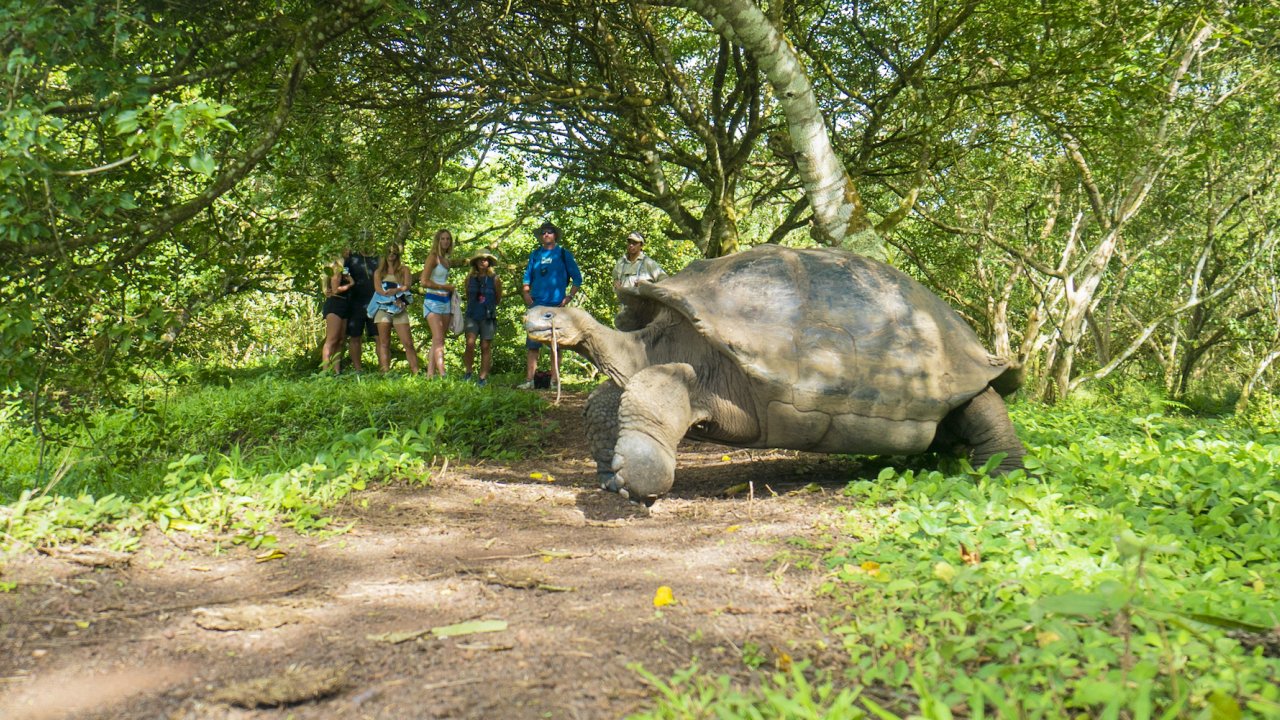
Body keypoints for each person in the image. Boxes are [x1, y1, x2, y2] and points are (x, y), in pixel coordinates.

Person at [520, 220, 582, 389]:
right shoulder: (535, 254)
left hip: (556, 306)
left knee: (555, 344)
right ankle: (529, 381)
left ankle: (554, 381)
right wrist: (526, 293)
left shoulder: (563, 254)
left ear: (555, 235)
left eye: (549, 232)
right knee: (533, 343)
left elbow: (577, 278)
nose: (546, 234)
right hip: (536, 305)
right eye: (543, 232)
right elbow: (527, 277)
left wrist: (568, 297)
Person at [369, 243, 420, 374]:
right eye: (388, 252)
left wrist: (396, 291)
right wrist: (389, 296)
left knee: (408, 342)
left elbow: (407, 286)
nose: (391, 255)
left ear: (398, 254)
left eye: (394, 252)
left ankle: (416, 371)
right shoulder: (378, 272)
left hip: (399, 308)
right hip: (383, 307)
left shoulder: (404, 270)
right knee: (384, 342)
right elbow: (378, 289)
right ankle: (385, 372)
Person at [461, 250, 503, 386]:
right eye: (480, 259)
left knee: (485, 346)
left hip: (488, 316)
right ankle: (468, 372)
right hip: (472, 315)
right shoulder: (469, 278)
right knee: (470, 343)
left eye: (485, 260)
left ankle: (483, 377)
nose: (483, 262)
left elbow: (498, 298)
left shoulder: (495, 279)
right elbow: (468, 295)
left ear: (489, 262)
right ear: (476, 262)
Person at [418, 229, 456, 378]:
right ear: (437, 241)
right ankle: (443, 373)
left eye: (448, 239)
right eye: (443, 239)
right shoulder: (433, 257)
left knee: (438, 338)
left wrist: (450, 290)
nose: (446, 241)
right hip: (432, 302)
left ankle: (429, 374)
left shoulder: (447, 260)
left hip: (445, 301)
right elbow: (424, 281)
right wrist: (444, 287)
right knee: (439, 338)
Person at [344, 238, 380, 373]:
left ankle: (383, 369)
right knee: (355, 337)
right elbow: (341, 274)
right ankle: (358, 370)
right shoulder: (352, 259)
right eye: (363, 238)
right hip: (355, 303)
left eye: (369, 238)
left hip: (375, 303)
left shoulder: (379, 259)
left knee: (379, 337)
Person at [321, 254, 355, 374]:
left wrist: (348, 278)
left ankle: (336, 371)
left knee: (340, 340)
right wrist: (350, 285)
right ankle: (325, 371)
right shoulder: (336, 271)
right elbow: (335, 290)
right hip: (335, 304)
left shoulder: (343, 272)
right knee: (332, 340)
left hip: (344, 304)